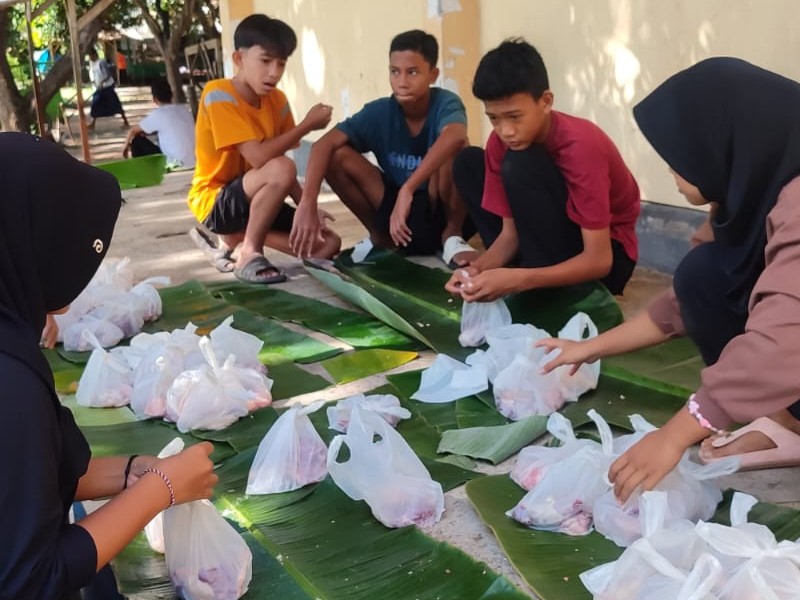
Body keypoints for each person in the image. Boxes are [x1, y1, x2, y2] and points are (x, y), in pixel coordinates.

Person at [538, 57, 800, 502]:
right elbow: (684, 301)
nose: (671, 171)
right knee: (706, 274)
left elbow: (787, 338)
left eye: (679, 156)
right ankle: (789, 422)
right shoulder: (755, 190)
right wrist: (590, 347)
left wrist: (676, 434)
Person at [0, 132, 218, 599]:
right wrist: (160, 489)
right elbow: (29, 579)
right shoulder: (9, 383)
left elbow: (28, 479)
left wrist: (132, 471)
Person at [444, 39, 640, 301]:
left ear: (546, 102)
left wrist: (520, 280)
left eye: (515, 116)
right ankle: (528, 272)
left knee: (520, 163)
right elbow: (510, 234)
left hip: (606, 257)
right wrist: (474, 272)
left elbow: (599, 260)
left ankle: (538, 281)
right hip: (541, 241)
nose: (505, 131)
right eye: (494, 118)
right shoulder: (500, 143)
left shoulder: (581, 146)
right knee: (468, 162)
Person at [292, 29, 470, 261]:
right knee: (336, 156)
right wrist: (307, 203)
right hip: (396, 211)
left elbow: (456, 135)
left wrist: (409, 188)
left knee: (458, 148)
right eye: (395, 72)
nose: (402, 82)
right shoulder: (379, 112)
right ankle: (380, 237)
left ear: (433, 75)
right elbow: (322, 145)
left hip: (439, 205)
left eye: (413, 72)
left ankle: (452, 237)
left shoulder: (446, 102)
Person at [188, 13, 340, 284]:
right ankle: (249, 253)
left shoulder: (277, 101)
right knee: (281, 167)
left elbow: (281, 170)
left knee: (328, 243)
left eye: (281, 63)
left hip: (259, 199)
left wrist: (306, 207)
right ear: (239, 59)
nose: (274, 72)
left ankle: (237, 236)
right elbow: (260, 158)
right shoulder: (218, 93)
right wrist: (306, 125)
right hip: (216, 202)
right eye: (266, 61)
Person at [122, 78, 196, 169]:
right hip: (195, 161)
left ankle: (144, 170)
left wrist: (125, 147)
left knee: (137, 141)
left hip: (175, 163)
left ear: (154, 99)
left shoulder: (158, 114)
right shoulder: (184, 110)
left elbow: (133, 131)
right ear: (172, 94)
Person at [86, 49, 130, 130]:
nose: (90, 58)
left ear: (95, 55)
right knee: (95, 104)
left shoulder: (101, 62)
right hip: (99, 88)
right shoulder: (93, 64)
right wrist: (95, 82)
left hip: (107, 86)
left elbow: (108, 74)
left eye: (91, 56)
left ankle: (126, 122)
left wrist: (102, 82)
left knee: (116, 104)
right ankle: (93, 124)